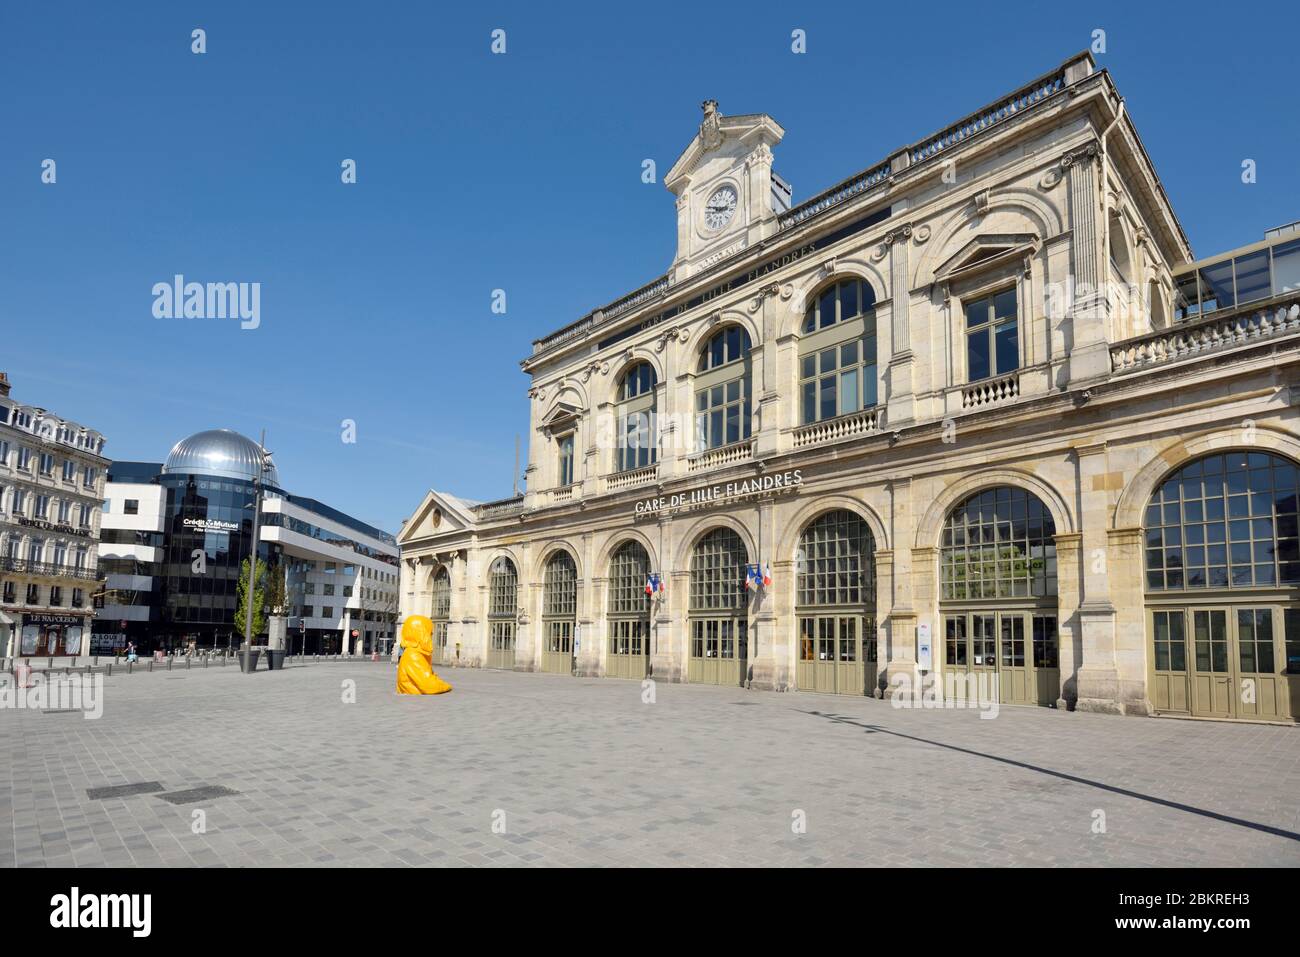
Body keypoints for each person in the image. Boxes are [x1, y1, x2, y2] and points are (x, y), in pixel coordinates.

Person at [395, 616, 452, 695]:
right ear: (421, 633)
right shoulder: (413, 655)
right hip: (414, 701)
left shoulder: (418, 653)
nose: (430, 637)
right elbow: (428, 686)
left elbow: (430, 675)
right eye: (429, 634)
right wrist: (447, 686)